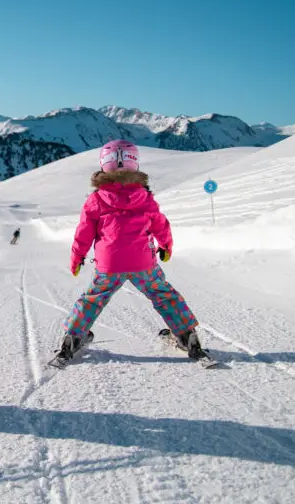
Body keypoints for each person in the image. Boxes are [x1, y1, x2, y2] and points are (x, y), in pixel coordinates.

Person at [57, 139, 204, 361]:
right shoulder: (145, 198)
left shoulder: (96, 199)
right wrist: (165, 245)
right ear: (134, 163)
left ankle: (73, 337)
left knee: (93, 299)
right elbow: (160, 225)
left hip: (109, 265)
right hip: (143, 263)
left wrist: (77, 257)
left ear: (103, 164)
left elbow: (84, 232)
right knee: (163, 294)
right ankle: (186, 334)